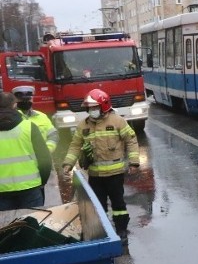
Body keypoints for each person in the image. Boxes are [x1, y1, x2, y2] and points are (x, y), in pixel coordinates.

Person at [62, 89, 139, 244]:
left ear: (103, 106)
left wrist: (134, 162)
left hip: (115, 174)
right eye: (90, 108)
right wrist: (67, 164)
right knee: (98, 206)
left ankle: (121, 230)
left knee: (118, 205)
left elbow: (131, 140)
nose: (92, 110)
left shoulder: (117, 121)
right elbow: (75, 146)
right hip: (95, 175)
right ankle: (102, 232)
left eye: (94, 107)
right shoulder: (83, 125)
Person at [0, 92, 53, 210]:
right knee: (32, 225)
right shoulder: (29, 127)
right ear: (14, 105)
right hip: (30, 189)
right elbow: (45, 160)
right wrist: (41, 182)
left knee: (6, 227)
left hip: (1, 192)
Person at [12, 85, 59, 154]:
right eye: (22, 99)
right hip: (19, 160)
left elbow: (53, 135)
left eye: (28, 99)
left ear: (32, 99)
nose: (25, 102)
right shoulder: (9, 118)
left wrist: (47, 150)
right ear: (15, 100)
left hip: (42, 159)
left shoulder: (42, 116)